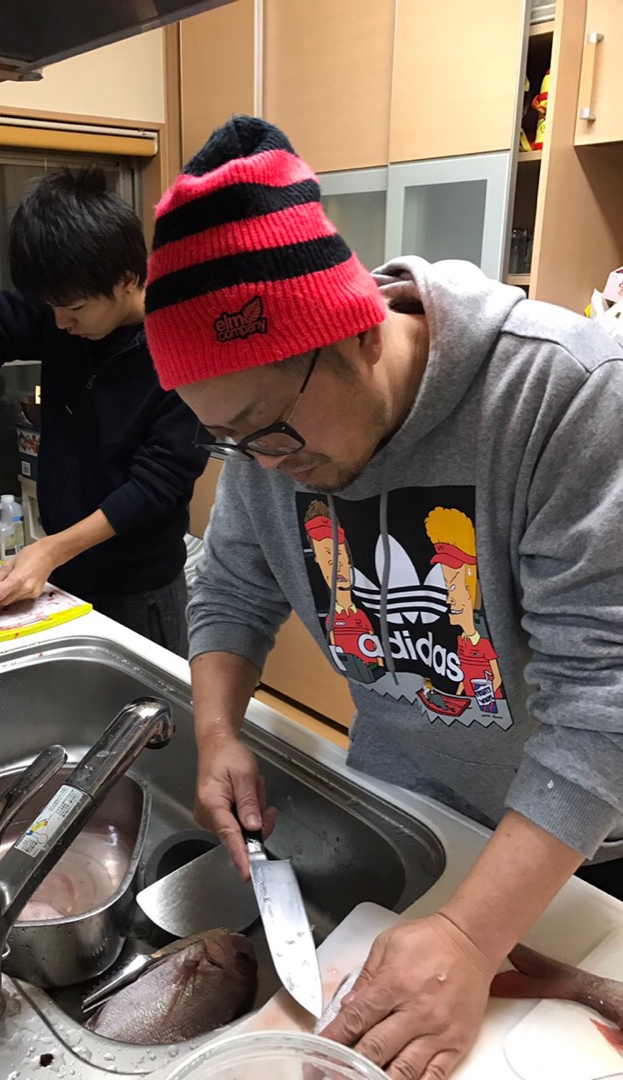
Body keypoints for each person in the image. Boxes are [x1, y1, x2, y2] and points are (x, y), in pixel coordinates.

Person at [143, 116, 623, 1077]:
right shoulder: (266, 444)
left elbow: (601, 706)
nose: (263, 465)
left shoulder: (566, 395)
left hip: (571, 852)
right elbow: (230, 586)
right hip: (406, 807)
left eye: (268, 428)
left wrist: (473, 937)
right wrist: (219, 730)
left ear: (357, 329)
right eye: (229, 441)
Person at [0, 166, 208, 656]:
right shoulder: (60, 303)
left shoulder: (184, 348)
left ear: (127, 279)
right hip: (63, 571)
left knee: (148, 703)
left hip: (139, 587)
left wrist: (51, 549)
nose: (60, 323)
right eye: (51, 307)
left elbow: (157, 485)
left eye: (75, 309)